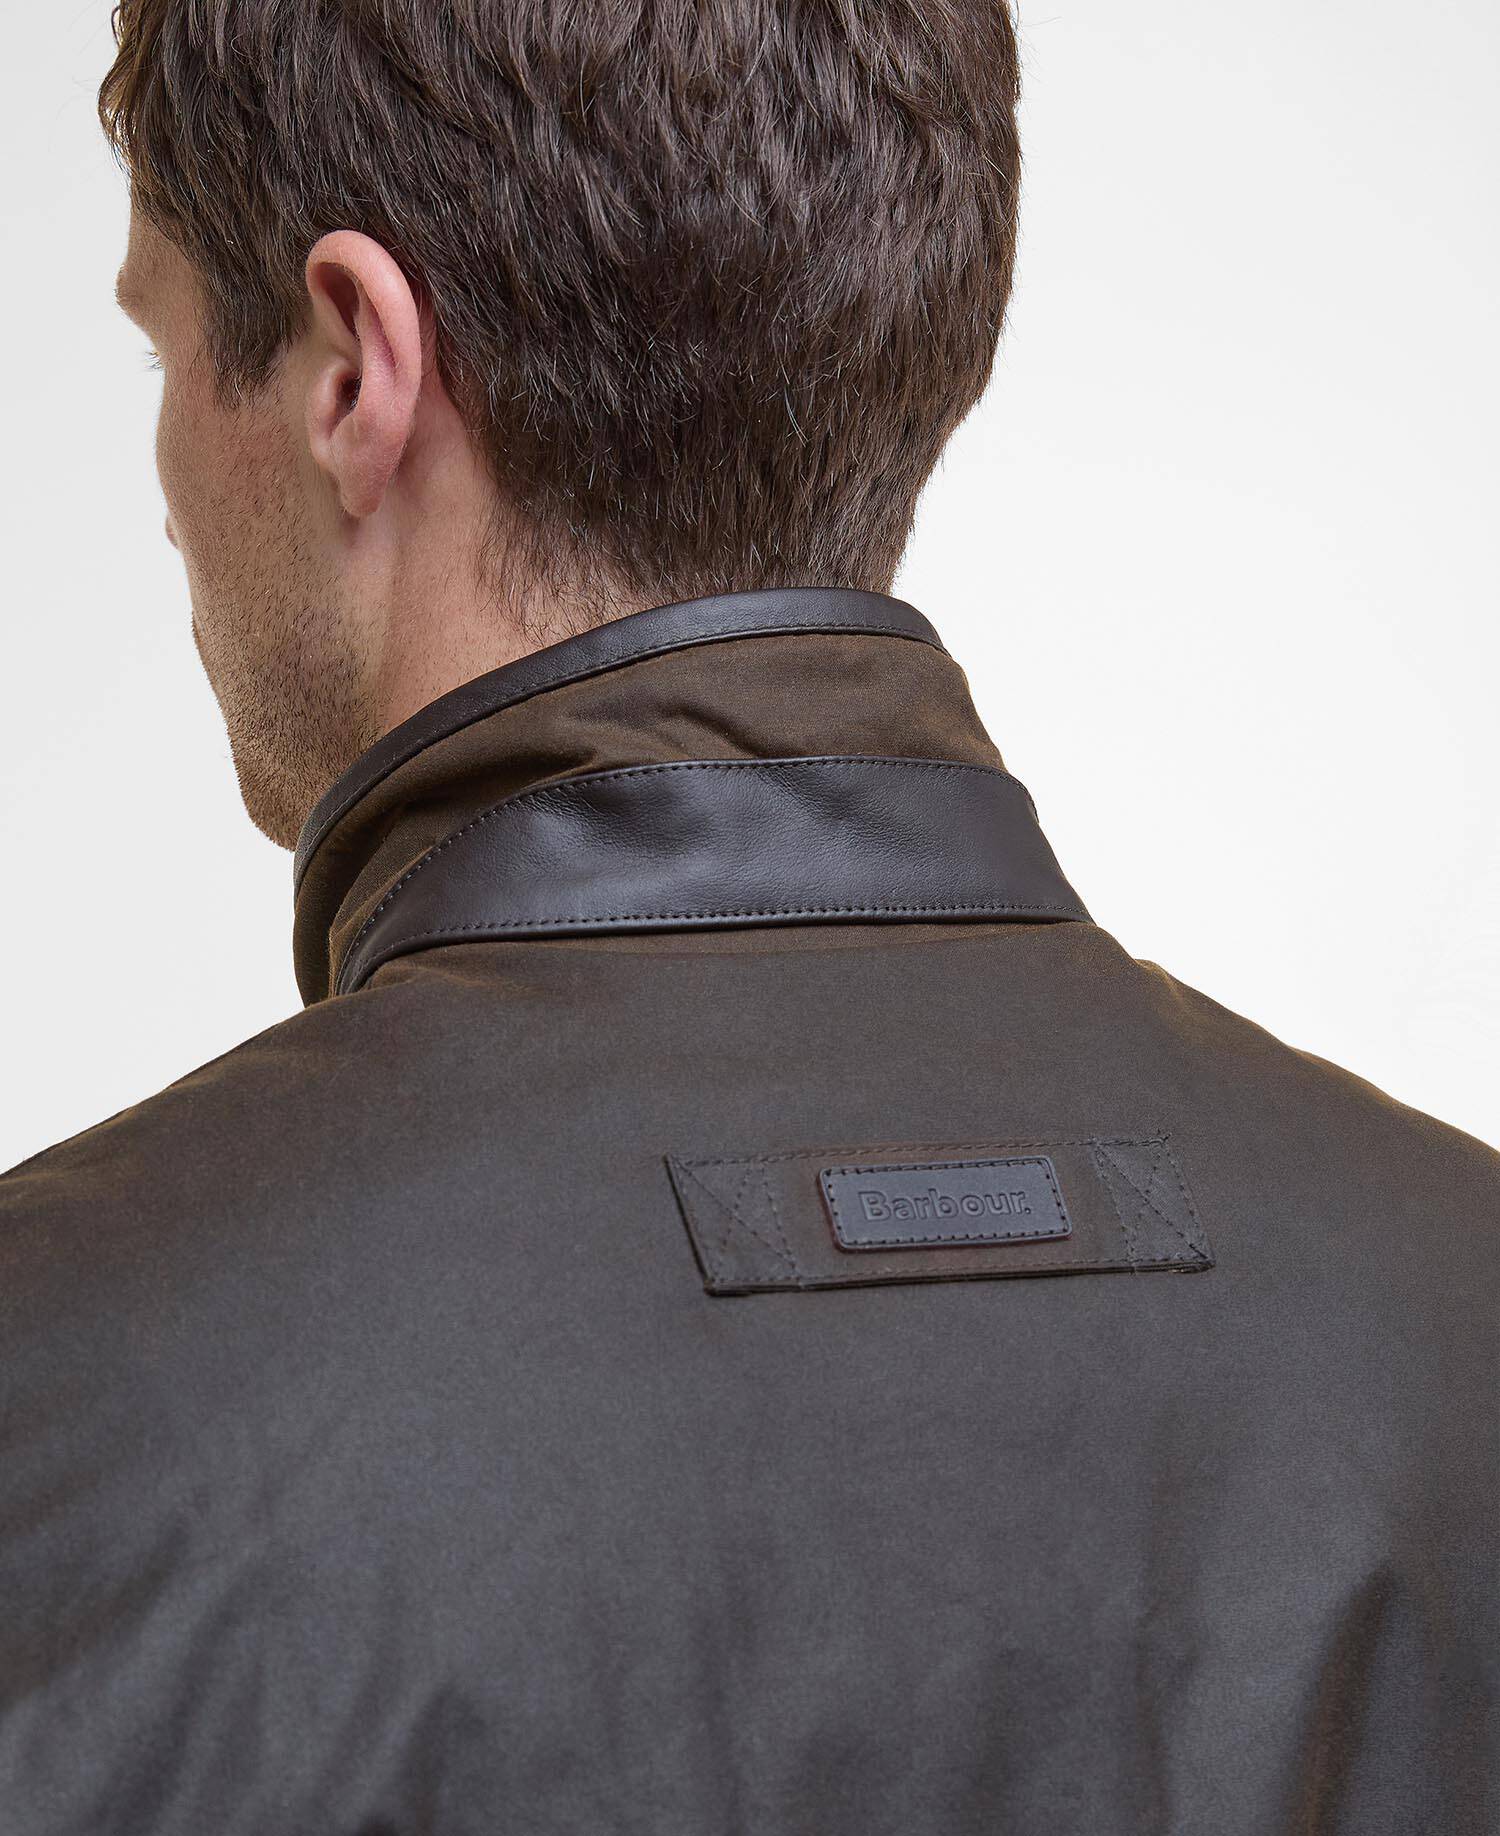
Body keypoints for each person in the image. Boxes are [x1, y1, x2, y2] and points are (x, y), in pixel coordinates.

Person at [1, 2, 1494, 1831]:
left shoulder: (48, 1405)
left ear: (351, 369)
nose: (166, 493)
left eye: (161, 344)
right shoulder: (1463, 1315)